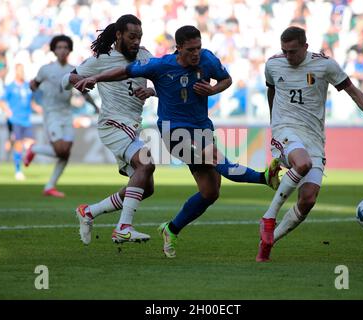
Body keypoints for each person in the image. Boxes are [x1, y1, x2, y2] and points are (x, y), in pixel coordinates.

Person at [75, 25, 270, 258]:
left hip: (202, 128)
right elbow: (124, 71)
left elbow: (226, 79)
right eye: (190, 49)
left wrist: (214, 89)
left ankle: (171, 229)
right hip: (174, 132)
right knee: (218, 162)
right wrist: (95, 77)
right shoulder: (160, 65)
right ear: (178, 48)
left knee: (210, 192)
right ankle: (265, 177)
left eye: (198, 47)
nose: (196, 53)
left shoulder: (207, 59)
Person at [258, 26, 363, 262]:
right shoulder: (273, 64)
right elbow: (271, 92)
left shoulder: (325, 66)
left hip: (313, 138)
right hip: (285, 130)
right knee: (302, 163)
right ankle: (269, 218)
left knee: (308, 199)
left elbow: (353, 92)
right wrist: (275, 122)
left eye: (293, 51)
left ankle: (268, 243)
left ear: (305, 46)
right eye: (284, 51)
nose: (288, 56)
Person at [62, 15, 156, 245]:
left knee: (146, 187)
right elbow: (68, 76)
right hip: (112, 123)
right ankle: (123, 227)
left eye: (139, 37)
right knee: (146, 163)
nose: (136, 41)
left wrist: (152, 91)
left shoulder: (145, 55)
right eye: (132, 37)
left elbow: (163, 80)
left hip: (133, 125)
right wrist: (80, 81)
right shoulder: (101, 59)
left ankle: (89, 212)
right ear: (119, 35)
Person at [26, 35, 98, 197]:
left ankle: (50, 186)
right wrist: (33, 89)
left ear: (70, 50)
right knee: (60, 150)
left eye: (65, 47)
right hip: (51, 113)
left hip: (67, 114)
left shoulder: (74, 70)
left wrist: (95, 106)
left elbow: (83, 90)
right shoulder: (45, 69)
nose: (62, 50)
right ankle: (34, 149)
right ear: (53, 50)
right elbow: (34, 85)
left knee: (65, 152)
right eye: (59, 47)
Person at [0, 63, 42, 180]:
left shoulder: (28, 86)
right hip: (15, 119)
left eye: (23, 70)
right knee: (19, 145)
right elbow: (1, 101)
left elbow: (32, 102)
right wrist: (7, 110)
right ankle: (18, 171)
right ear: (15, 72)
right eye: (20, 71)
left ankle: (11, 140)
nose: (22, 73)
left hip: (26, 120)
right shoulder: (10, 87)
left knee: (31, 144)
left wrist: (38, 108)